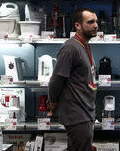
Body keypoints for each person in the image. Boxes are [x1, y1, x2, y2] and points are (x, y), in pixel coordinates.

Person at [48, 8, 99, 151]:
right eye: (90, 22)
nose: (95, 25)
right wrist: (52, 101)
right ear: (78, 25)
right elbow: (57, 79)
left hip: (86, 112)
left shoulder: (84, 45)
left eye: (96, 21)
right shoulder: (70, 48)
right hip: (77, 114)